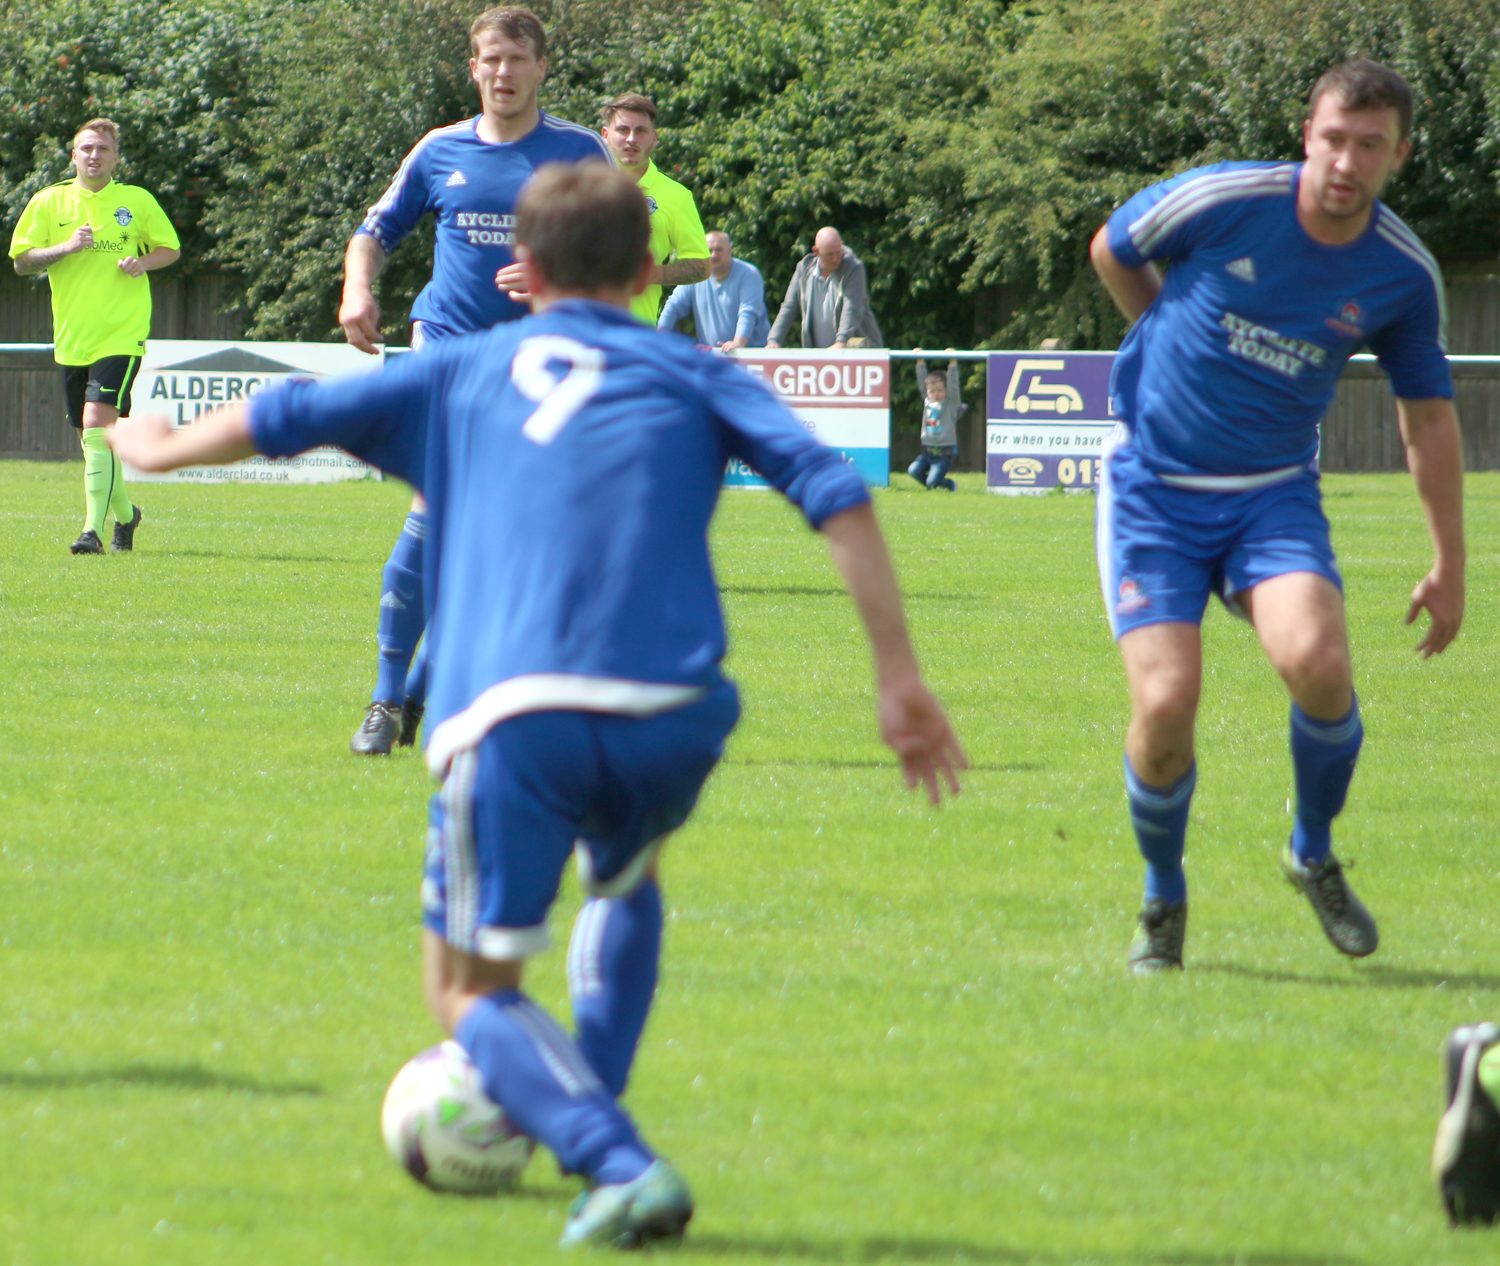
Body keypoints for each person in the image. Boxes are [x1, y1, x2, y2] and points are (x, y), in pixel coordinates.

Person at [110, 162, 965, 1250]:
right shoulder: (695, 370)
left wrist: (158, 445)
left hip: (514, 708)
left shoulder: (463, 371)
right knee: (626, 871)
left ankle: (615, 1159)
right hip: (675, 707)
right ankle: (591, 1138)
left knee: (465, 989)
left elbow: (289, 410)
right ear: (651, 270)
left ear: (525, 271)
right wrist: (898, 679)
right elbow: (836, 496)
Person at [1088, 60, 1463, 974]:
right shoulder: (1227, 200)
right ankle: (1162, 900)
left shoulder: (1402, 275)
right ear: (1308, 134)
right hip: (1154, 494)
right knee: (1168, 703)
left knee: (1321, 667)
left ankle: (1311, 848)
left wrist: (1450, 562)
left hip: (1270, 497)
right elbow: (1114, 246)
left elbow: (1426, 418)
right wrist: (1159, 333)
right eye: (1333, 137)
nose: (1346, 159)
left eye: (1369, 145)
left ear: (1398, 156)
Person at [338, 5, 609, 756]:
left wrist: (563, 272)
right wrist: (358, 289)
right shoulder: (439, 151)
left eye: (518, 60)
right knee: (438, 501)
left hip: (542, 361)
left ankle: (423, 688)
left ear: (542, 67)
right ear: (473, 68)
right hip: (448, 348)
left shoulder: (582, 153)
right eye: (491, 60)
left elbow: (633, 255)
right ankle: (387, 700)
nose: (504, 73)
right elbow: (373, 232)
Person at [8, 118, 180, 554]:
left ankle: (92, 532)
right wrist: (65, 247)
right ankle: (126, 515)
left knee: (95, 425)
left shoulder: (136, 201)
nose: (94, 155)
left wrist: (144, 263)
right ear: (73, 155)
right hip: (71, 338)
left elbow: (170, 249)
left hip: (122, 333)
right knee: (95, 438)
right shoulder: (49, 201)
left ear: (116, 157)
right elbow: (22, 261)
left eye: (103, 149)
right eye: (86, 148)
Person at [597, 93, 709, 326]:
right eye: (623, 130)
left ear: (654, 138)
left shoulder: (677, 196)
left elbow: (701, 265)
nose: (631, 139)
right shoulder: (580, 186)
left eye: (641, 131)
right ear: (605, 135)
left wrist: (651, 274)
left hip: (636, 335)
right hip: (577, 333)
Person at [766, 227, 882, 350]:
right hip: (821, 357)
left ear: (841, 245)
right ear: (816, 251)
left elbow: (852, 307)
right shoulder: (803, 270)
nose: (835, 259)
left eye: (838, 252)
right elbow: (788, 307)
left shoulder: (854, 268)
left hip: (858, 354)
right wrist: (774, 340)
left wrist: (841, 341)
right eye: (829, 254)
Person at [656, 230, 769, 350]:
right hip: (714, 355)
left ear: (729, 252)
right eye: (709, 250)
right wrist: (658, 339)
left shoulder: (749, 274)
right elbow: (673, 306)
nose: (713, 255)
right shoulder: (696, 276)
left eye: (719, 250)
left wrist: (738, 343)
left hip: (753, 354)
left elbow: (748, 312)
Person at [907, 357, 964, 491]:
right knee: (913, 471)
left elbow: (953, 387)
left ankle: (949, 485)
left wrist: (953, 364)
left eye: (940, 390)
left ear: (946, 390)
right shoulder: (928, 402)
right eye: (932, 391)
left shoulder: (950, 405)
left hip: (943, 453)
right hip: (927, 452)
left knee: (932, 482)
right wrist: (920, 362)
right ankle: (933, 486)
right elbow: (922, 383)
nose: (935, 394)